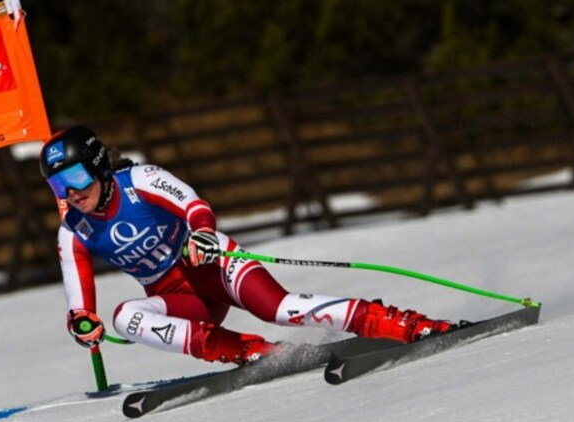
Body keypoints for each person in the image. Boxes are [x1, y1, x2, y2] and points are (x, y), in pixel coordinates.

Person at [41, 125, 454, 365]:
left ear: (98, 167)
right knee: (124, 317)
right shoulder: (73, 229)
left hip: (210, 263)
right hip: (181, 299)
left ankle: (402, 323)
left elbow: (194, 205)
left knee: (279, 308)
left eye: (75, 178)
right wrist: (82, 322)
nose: (71, 193)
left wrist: (201, 235)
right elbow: (79, 300)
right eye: (58, 185)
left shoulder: (140, 181)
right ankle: (244, 351)